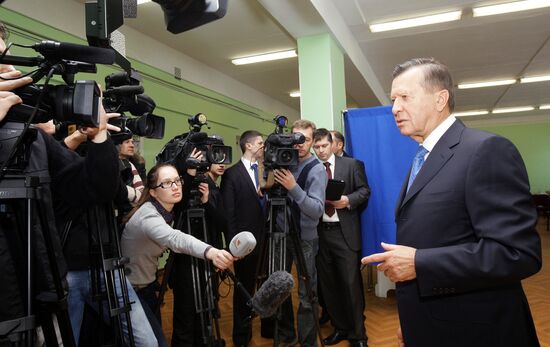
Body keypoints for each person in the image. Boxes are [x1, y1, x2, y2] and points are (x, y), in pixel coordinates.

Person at [361, 58, 542, 347]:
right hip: (432, 324)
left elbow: (518, 253)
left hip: (477, 332)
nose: (394, 108)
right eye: (393, 99)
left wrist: (420, 262)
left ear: (440, 99)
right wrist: (413, 322)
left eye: (405, 97)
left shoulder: (485, 150)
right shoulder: (423, 157)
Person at [121, 163, 235, 346]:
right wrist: (211, 252)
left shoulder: (164, 211)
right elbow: (176, 238)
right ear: (153, 192)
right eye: (166, 183)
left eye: (177, 181)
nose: (175, 186)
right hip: (133, 290)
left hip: (146, 285)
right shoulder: (149, 217)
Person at [312, 128, 370, 347]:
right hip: (320, 234)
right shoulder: (312, 169)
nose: (320, 151)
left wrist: (347, 200)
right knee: (329, 287)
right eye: (316, 147)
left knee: (350, 286)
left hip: (344, 233)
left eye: (324, 146)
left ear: (334, 144)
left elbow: (365, 191)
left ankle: (358, 335)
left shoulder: (352, 165)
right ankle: (340, 328)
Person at [273, 119, 327, 347]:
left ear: (312, 141)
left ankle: (308, 343)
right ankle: (285, 336)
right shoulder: (285, 160)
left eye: (304, 139)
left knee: (307, 295)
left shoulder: (317, 169)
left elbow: (316, 210)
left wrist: (293, 187)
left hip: (304, 238)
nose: (299, 144)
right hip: (280, 235)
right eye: (295, 138)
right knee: (278, 288)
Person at [220, 130, 266, 347]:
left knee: (266, 286)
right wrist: (233, 248)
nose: (263, 146)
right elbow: (229, 213)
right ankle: (241, 336)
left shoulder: (267, 172)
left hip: (265, 240)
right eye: (260, 143)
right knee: (243, 290)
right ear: (248, 146)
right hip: (244, 244)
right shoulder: (232, 174)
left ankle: (267, 328)